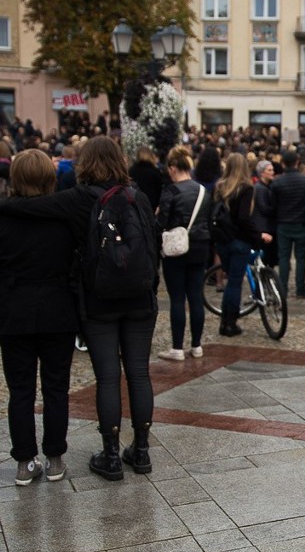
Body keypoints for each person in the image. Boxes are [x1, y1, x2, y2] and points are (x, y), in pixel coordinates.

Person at [3, 136, 159, 480]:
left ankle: (110, 455)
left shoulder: (78, 200)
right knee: (137, 372)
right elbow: (155, 244)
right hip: (137, 300)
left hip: (96, 301)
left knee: (105, 377)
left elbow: (32, 208)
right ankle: (142, 451)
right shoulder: (139, 198)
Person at [0, 150, 78, 485]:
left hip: (14, 308)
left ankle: (24, 461)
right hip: (56, 306)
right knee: (56, 386)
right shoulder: (62, 216)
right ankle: (55, 458)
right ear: (49, 177)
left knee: (20, 389)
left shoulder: (3, 216)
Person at [156, 146, 211, 361]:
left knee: (177, 298)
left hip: (177, 248)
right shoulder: (204, 191)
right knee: (196, 296)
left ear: (172, 167)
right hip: (200, 246)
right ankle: (197, 346)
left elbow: (161, 223)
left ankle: (177, 347)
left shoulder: (171, 191)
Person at [214, 152, 269, 336]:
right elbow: (244, 219)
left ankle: (224, 322)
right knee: (235, 283)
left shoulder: (220, 187)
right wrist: (258, 236)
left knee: (231, 282)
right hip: (239, 240)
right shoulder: (245, 188)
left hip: (222, 240)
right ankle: (230, 323)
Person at [270, 150, 305, 299]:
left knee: (284, 258)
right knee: (301, 257)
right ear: (297, 162)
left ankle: (283, 288)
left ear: (283, 163)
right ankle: (300, 289)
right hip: (301, 222)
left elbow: (273, 204)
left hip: (283, 223)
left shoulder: (277, 182)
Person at [129, 144, 164, 212]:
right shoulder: (155, 171)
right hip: (151, 203)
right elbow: (159, 189)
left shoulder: (132, 170)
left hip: (135, 202)